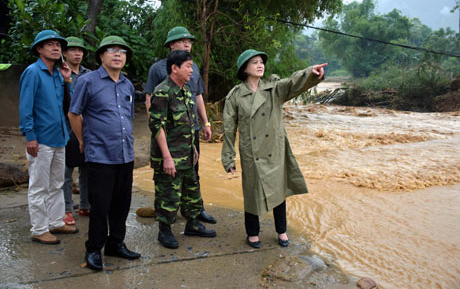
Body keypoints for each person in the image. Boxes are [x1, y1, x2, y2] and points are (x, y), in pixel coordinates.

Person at [221, 49, 327, 249]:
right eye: (254, 62)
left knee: (279, 190)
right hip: (251, 150)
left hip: (274, 148)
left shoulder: (274, 88)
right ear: (245, 69)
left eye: (261, 62)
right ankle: (252, 233)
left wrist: (310, 73)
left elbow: (294, 82)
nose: (260, 65)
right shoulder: (235, 96)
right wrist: (228, 158)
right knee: (252, 191)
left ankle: (282, 231)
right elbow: (228, 129)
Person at [68, 36, 141, 271]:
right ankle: (93, 249)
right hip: (100, 154)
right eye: (112, 50)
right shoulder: (88, 81)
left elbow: (127, 117)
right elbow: (74, 114)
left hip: (125, 154)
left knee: (121, 204)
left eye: (122, 51)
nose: (117, 54)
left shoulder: (128, 84)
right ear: (101, 56)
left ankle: (115, 244)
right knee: (100, 205)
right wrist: (82, 141)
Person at [144, 26, 216, 224]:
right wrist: (158, 127)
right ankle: (168, 214)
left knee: (192, 172)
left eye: (190, 41)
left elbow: (198, 95)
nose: (187, 44)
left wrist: (206, 122)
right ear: (171, 44)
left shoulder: (193, 67)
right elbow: (150, 100)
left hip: (190, 129)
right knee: (168, 175)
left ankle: (194, 210)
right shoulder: (158, 69)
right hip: (170, 132)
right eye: (182, 40)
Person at [19, 29, 79, 245]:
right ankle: (39, 228)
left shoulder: (58, 74)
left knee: (56, 184)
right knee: (39, 186)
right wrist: (30, 136)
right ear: (39, 49)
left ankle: (55, 221)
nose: (56, 48)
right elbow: (26, 108)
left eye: (58, 45)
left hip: (59, 137)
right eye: (50, 44)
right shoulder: (33, 72)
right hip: (41, 139)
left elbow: (68, 106)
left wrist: (67, 80)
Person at [62, 36, 91, 226]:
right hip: (65, 127)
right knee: (66, 171)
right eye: (73, 50)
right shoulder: (59, 74)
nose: (77, 53)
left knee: (86, 169)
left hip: (86, 126)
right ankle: (66, 209)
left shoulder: (89, 74)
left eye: (80, 50)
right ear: (64, 53)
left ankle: (85, 205)